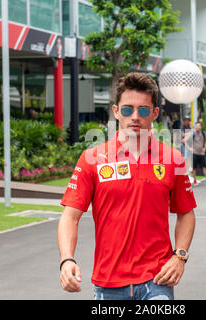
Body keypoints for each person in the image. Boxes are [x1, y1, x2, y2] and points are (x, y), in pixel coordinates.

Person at [58, 72, 196, 300]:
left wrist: (179, 257)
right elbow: (70, 216)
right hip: (109, 282)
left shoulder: (173, 159)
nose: (135, 116)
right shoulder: (92, 158)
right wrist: (67, 259)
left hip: (157, 280)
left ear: (154, 114)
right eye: (127, 109)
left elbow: (186, 213)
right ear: (115, 112)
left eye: (143, 110)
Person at [183, 122, 206, 186]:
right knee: (194, 168)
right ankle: (195, 180)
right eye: (196, 126)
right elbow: (184, 140)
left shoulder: (203, 133)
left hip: (201, 153)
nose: (197, 127)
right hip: (195, 153)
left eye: (199, 126)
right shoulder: (192, 134)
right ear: (195, 127)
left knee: (204, 166)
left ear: (201, 127)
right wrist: (190, 148)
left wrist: (204, 148)